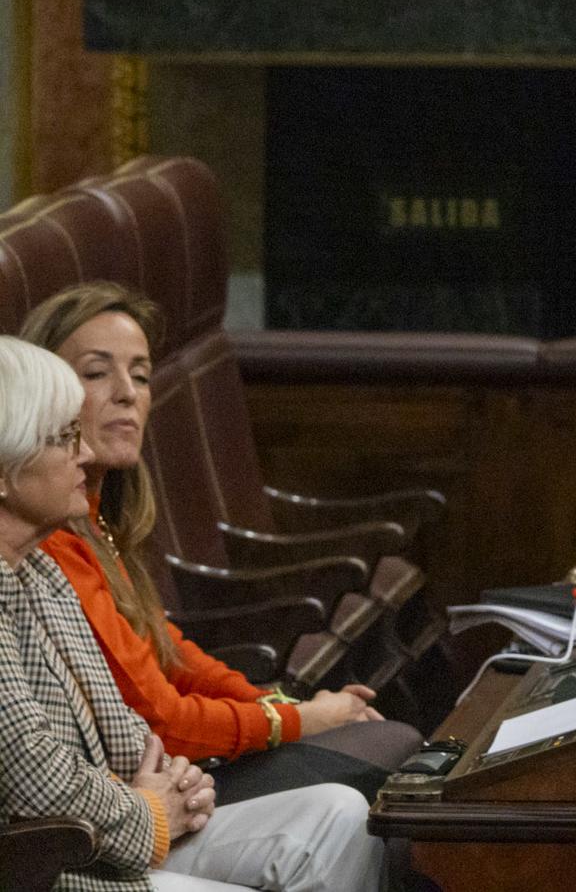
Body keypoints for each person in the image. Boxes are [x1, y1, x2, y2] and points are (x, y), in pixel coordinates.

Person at [0, 336, 382, 892]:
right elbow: (33, 773)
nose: (84, 454)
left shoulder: (39, 567)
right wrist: (152, 812)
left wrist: (176, 786)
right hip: (53, 869)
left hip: (117, 827)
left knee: (339, 814)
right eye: (63, 437)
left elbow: (123, 723)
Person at [19, 283, 421, 806]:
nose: (126, 393)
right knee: (383, 764)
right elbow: (162, 718)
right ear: (41, 396)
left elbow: (169, 653)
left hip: (181, 768)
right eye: (97, 373)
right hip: (146, 792)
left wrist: (275, 704)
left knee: (389, 750)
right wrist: (300, 719)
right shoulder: (49, 544)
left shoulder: (97, 522)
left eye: (140, 375)